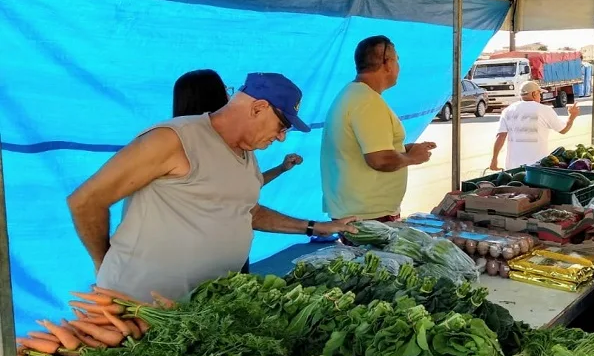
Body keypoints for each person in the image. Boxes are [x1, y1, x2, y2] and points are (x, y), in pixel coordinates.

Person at [68, 72, 356, 302]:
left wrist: (316, 227)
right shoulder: (174, 139)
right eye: (282, 126)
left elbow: (247, 211)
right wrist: (102, 261)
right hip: (142, 306)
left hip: (203, 308)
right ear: (258, 108)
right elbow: (86, 200)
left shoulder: (247, 155)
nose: (281, 138)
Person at [173, 69, 305, 275]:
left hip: (230, 261)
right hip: (201, 267)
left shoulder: (239, 145)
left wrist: (281, 169)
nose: (232, 97)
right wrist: (314, 227)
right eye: (227, 91)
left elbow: (246, 187)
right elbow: (244, 209)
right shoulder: (182, 147)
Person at [321, 36, 436, 222]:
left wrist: (404, 149)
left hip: (358, 212)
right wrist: (413, 158)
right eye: (397, 59)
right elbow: (380, 160)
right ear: (388, 64)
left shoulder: (354, 95)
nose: (398, 66)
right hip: (368, 216)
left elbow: (365, 149)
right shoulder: (367, 102)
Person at [489, 81, 580, 170]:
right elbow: (563, 130)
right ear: (534, 94)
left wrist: (494, 160)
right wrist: (572, 117)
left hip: (513, 167)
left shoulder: (508, 111)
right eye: (539, 93)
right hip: (537, 168)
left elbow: (500, 136)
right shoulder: (544, 110)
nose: (540, 97)